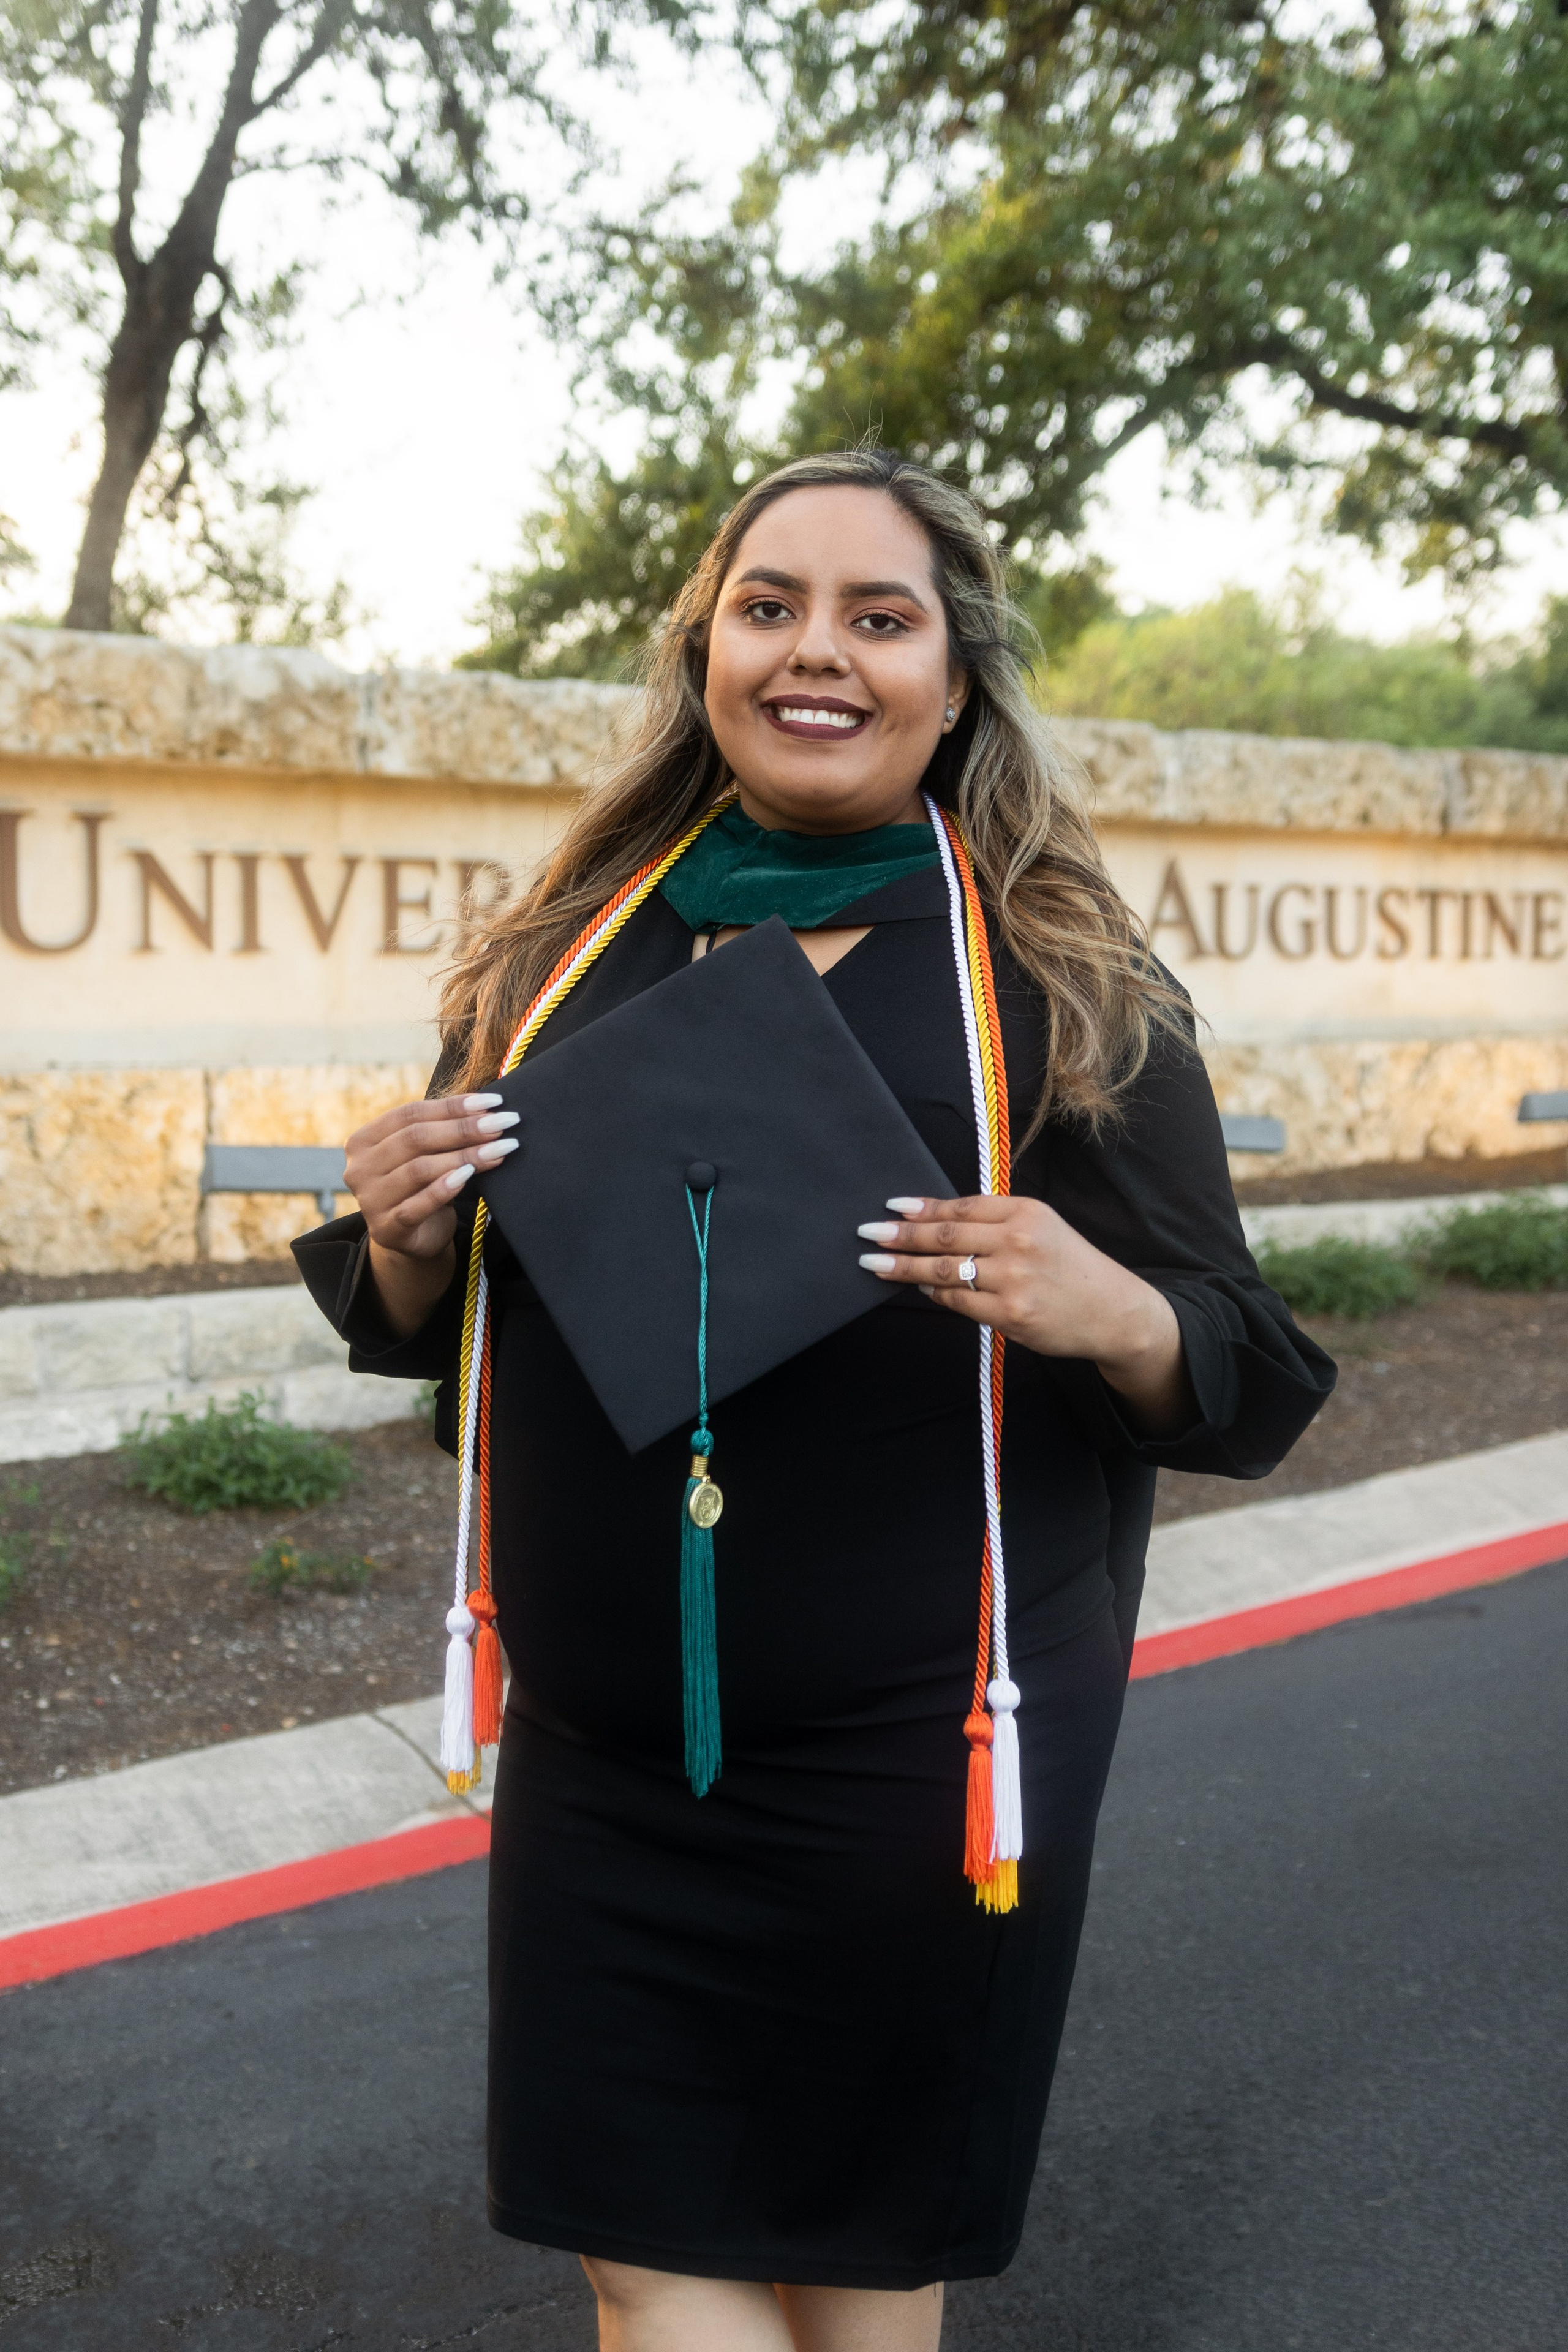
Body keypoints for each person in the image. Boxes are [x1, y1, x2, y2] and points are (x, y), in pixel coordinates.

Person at [295, 448, 1335, 2352]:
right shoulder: (571, 955)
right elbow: (448, 1322)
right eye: (770, 607)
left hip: (917, 1751)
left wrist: (1101, 1301)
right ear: (707, 645)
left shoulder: (1062, 980)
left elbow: (1239, 1364)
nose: (816, 654)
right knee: (637, 2249)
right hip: (610, 1749)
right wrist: (407, 1234)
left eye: (879, 616)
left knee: (855, 2272)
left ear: (957, 671)